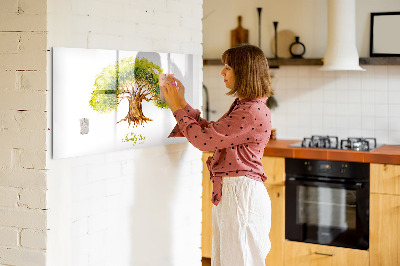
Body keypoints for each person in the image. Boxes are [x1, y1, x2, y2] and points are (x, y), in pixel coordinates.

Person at [161, 44, 273, 266]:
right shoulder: (246, 106)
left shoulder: (250, 111)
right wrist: (182, 103)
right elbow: (212, 133)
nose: (222, 72)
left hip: (241, 195)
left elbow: (204, 141)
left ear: (244, 72)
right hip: (236, 193)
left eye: (228, 67)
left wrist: (176, 108)